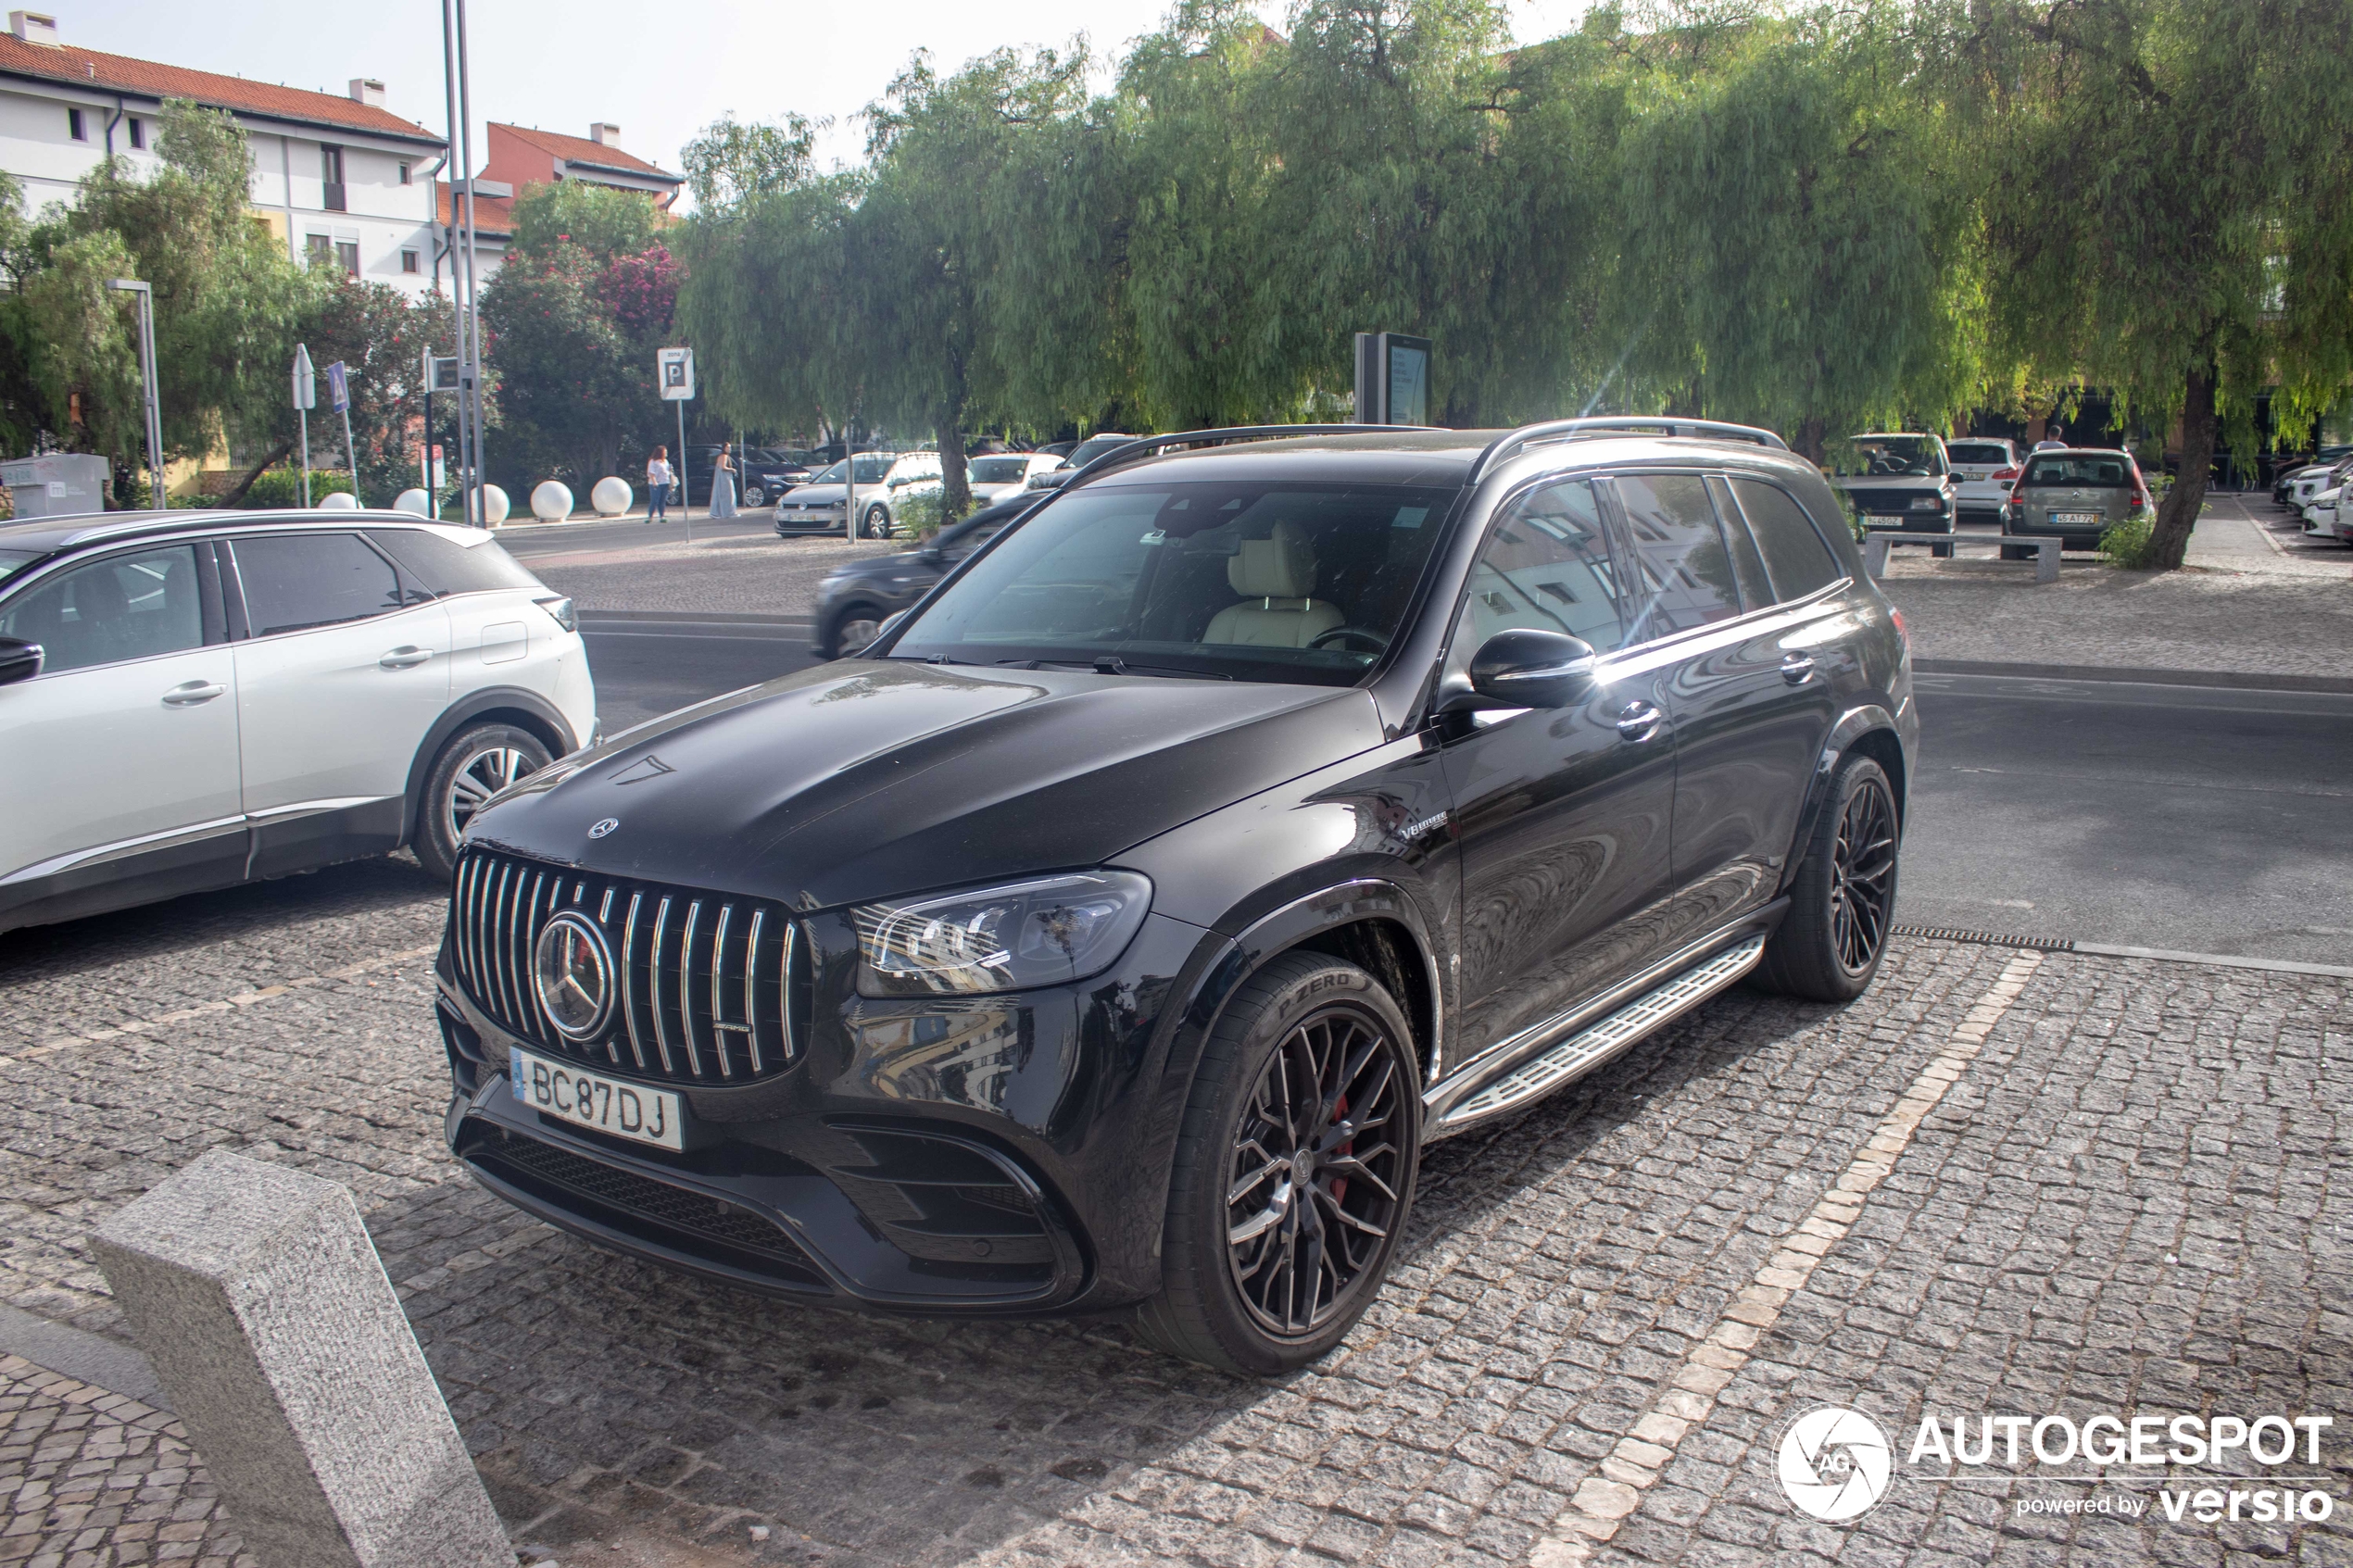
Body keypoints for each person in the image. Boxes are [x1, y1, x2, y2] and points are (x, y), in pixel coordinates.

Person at [708, 444, 738, 520]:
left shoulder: (723, 456)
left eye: (730, 447)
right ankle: (729, 512)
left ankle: (722, 512)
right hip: (724, 478)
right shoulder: (724, 456)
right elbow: (723, 467)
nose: (729, 449)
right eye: (728, 447)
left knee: (722, 495)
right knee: (729, 495)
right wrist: (732, 470)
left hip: (724, 478)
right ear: (724, 448)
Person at [646, 446, 673, 523]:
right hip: (656, 483)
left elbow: (667, 471)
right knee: (654, 500)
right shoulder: (653, 461)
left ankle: (662, 516)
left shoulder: (665, 461)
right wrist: (654, 482)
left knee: (662, 500)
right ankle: (650, 517)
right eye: (665, 452)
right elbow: (651, 473)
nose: (666, 454)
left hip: (665, 482)